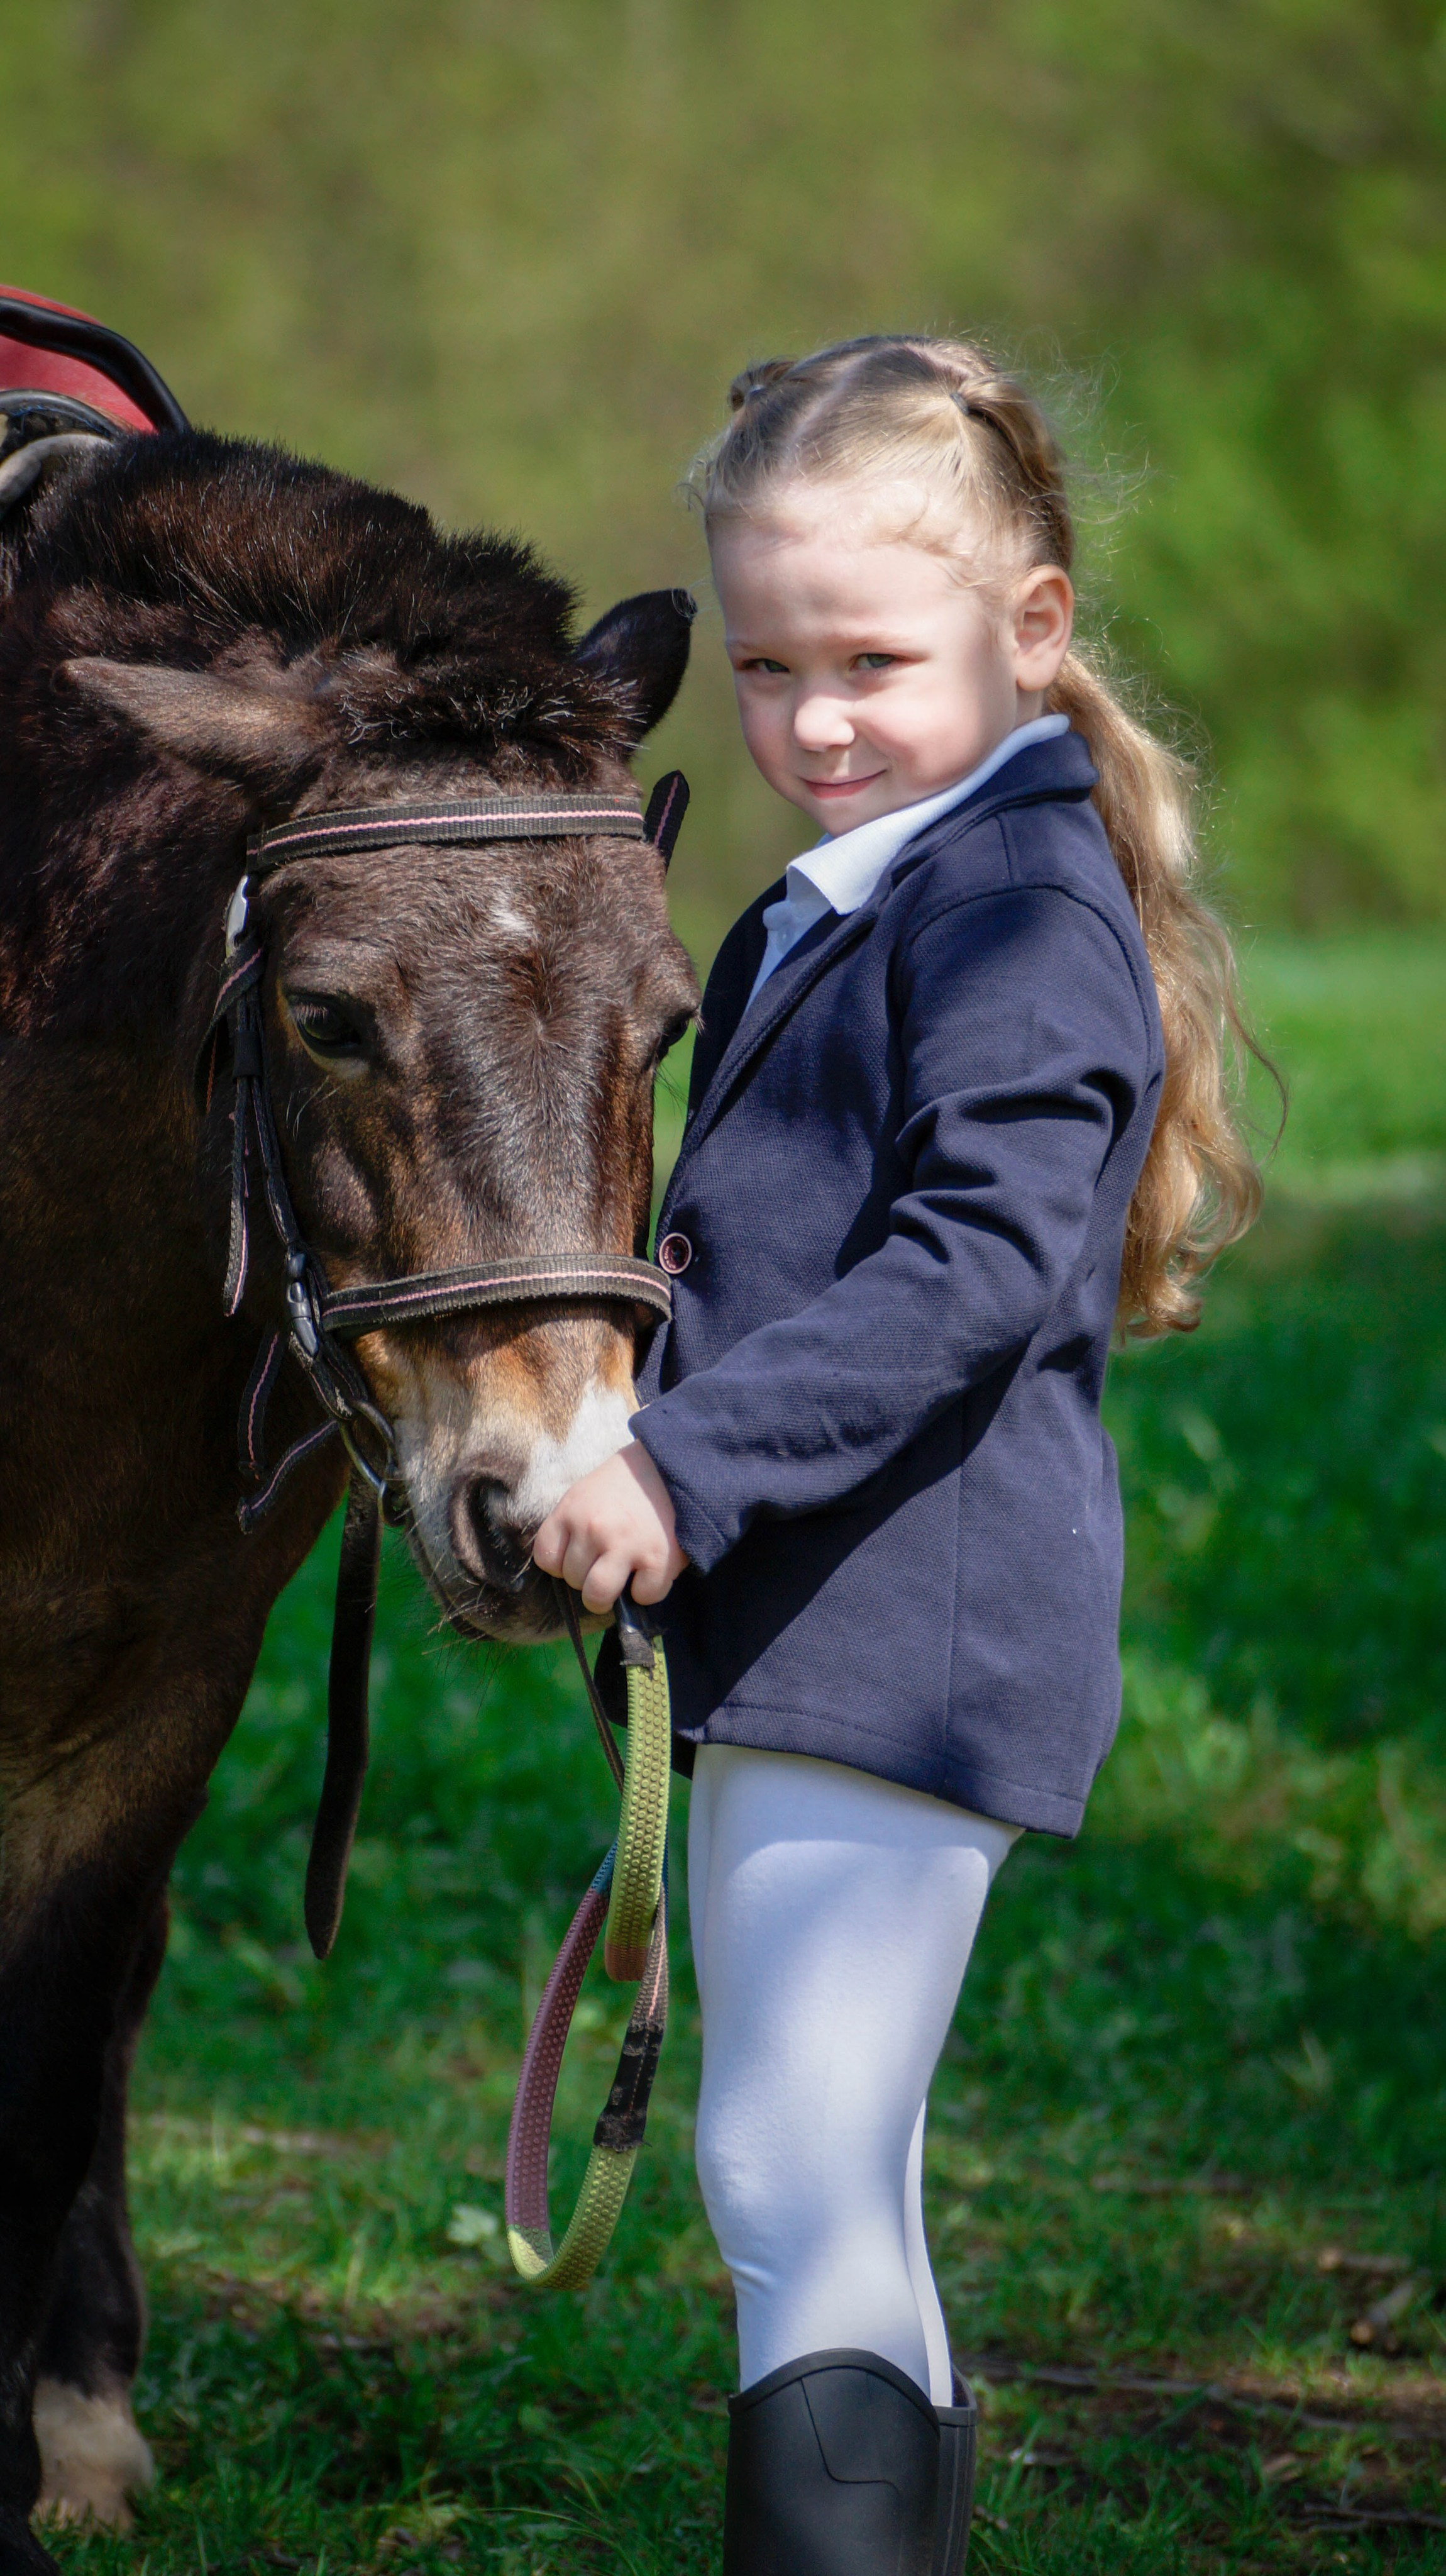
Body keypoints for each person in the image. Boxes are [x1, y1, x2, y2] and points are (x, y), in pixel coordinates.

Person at [533, 335, 1261, 2575]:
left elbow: (972, 1268)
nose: (814, 721)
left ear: (1030, 629)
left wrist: (680, 1471)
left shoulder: (1008, 908)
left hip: (905, 1628)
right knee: (827, 2175)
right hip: (820, 1620)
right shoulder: (862, 885)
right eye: (767, 667)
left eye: (870, 662)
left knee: (789, 2166)